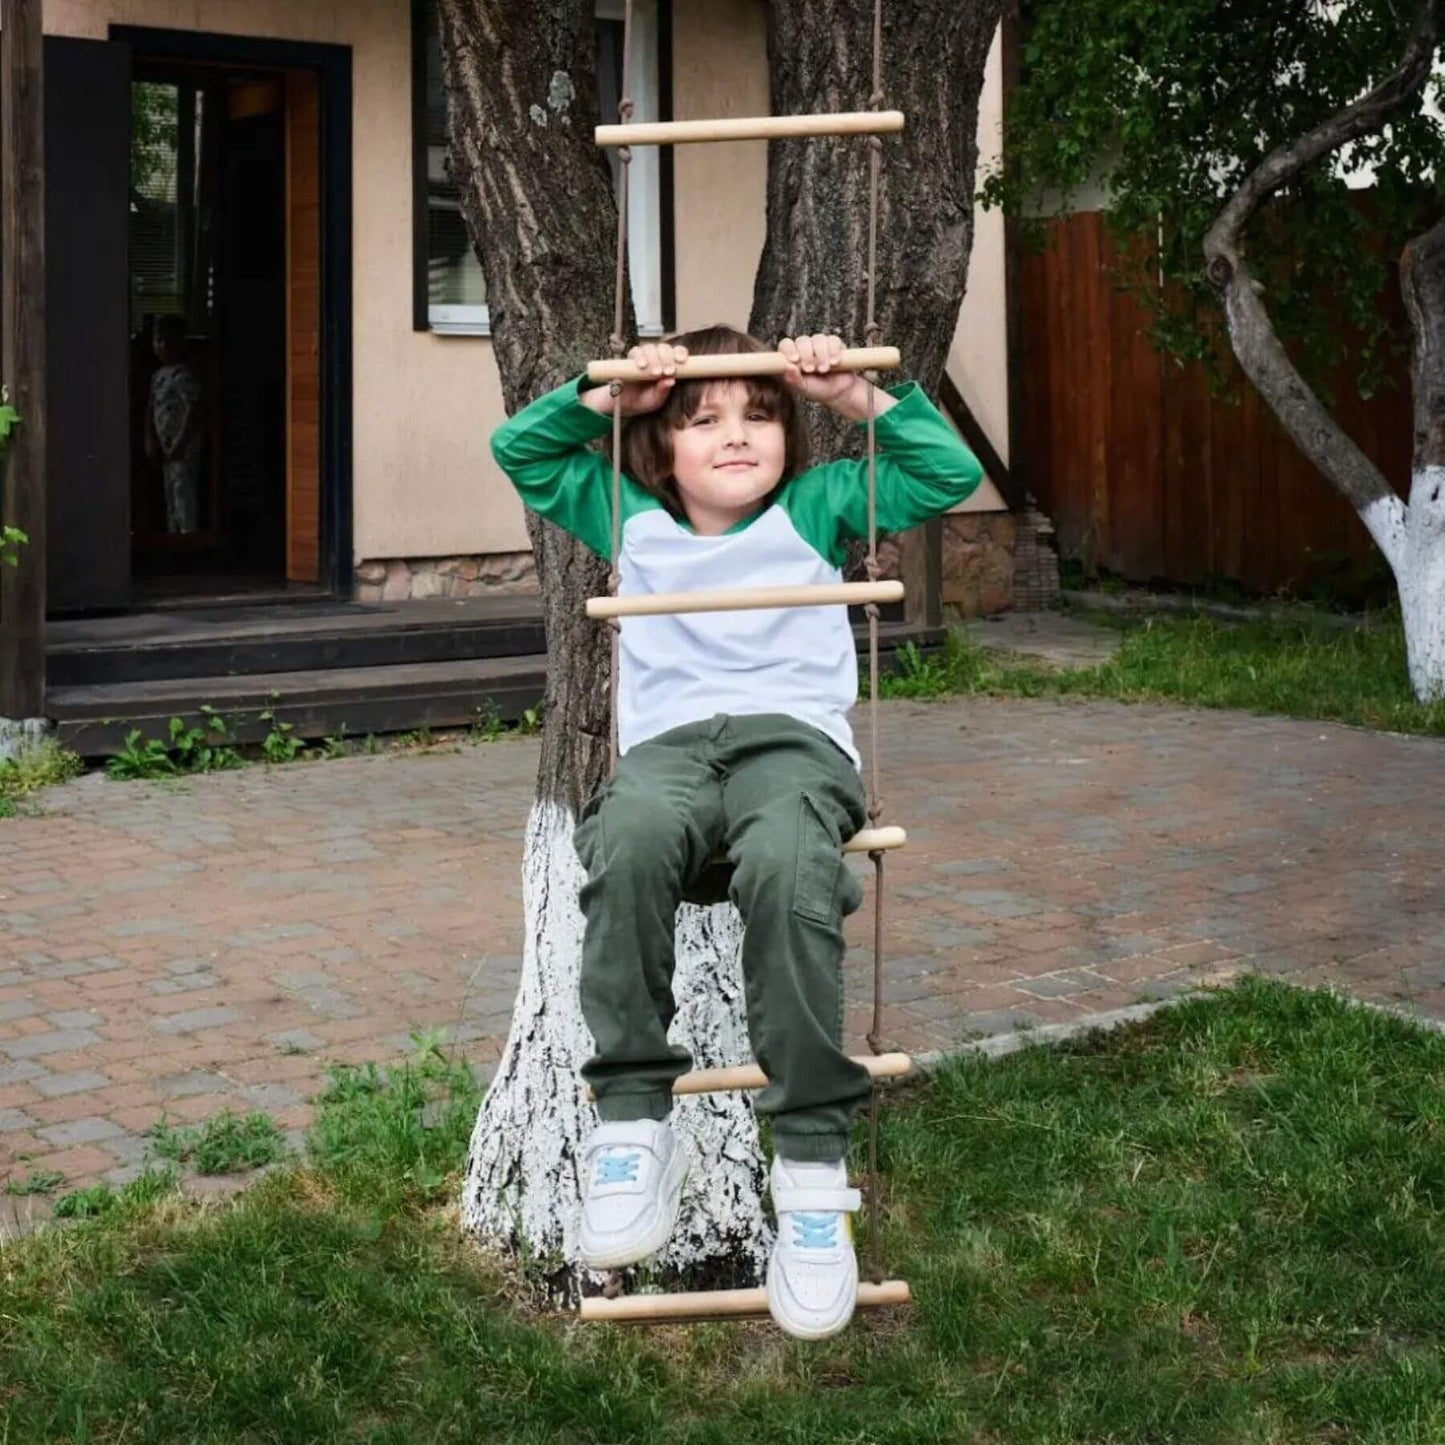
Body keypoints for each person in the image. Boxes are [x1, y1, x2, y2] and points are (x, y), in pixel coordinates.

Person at [490, 324, 982, 1338]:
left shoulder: (817, 507)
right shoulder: (623, 513)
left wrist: (850, 395)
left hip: (790, 750)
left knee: (791, 861)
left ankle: (807, 1167)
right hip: (668, 757)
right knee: (620, 839)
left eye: (758, 413)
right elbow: (522, 451)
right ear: (657, 446)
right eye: (701, 417)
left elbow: (945, 471)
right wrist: (609, 395)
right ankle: (635, 1118)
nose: (735, 433)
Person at [145, 314, 206, 534]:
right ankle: (174, 536)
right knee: (170, 496)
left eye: (167, 340)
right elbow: (151, 409)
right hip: (165, 447)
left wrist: (181, 442)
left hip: (183, 447)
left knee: (183, 494)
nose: (162, 346)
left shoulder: (184, 375)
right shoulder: (158, 377)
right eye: (157, 340)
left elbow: (194, 410)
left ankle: (188, 537)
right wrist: (150, 441)